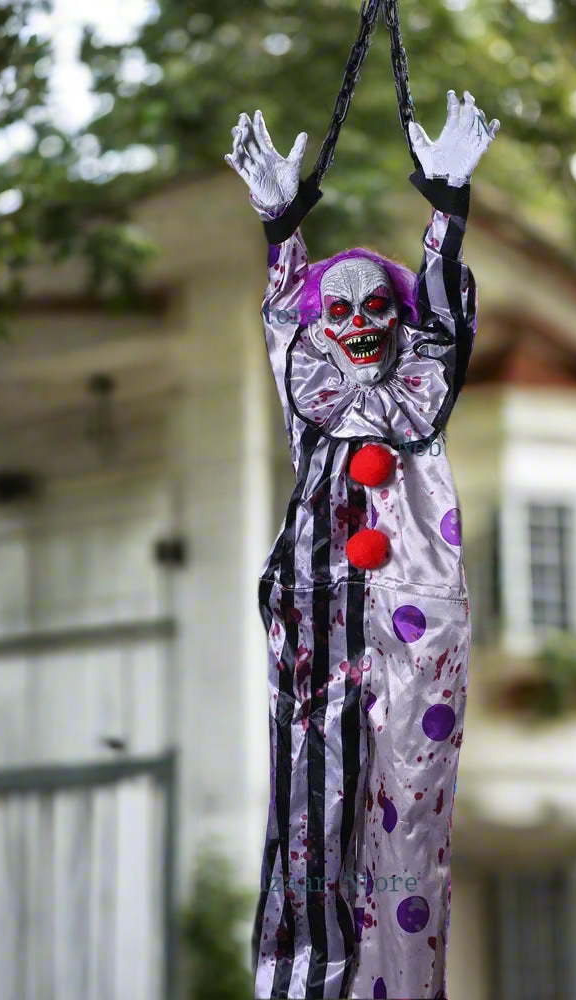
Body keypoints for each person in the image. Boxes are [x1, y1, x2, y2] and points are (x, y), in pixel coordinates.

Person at [225, 90, 498, 1000]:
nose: (354, 324)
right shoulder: (311, 387)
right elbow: (281, 323)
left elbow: (445, 325)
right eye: (333, 310)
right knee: (312, 815)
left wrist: (449, 212)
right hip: (319, 610)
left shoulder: (421, 377)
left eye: (375, 304)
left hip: (416, 606)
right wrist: (277, 226)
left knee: (411, 814)